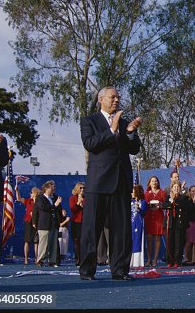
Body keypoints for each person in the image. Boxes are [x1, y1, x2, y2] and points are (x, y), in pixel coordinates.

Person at [79, 86, 142, 281]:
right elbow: (90, 144)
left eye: (118, 97)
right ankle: (87, 270)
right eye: (112, 97)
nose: (116, 100)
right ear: (101, 99)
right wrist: (112, 129)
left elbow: (134, 150)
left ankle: (120, 270)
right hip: (98, 183)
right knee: (92, 229)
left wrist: (130, 132)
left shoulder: (124, 123)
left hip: (121, 182)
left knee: (121, 230)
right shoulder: (89, 121)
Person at [33, 180, 62, 267]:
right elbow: (43, 208)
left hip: (54, 223)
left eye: (54, 187)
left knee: (53, 243)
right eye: (52, 187)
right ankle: (40, 260)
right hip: (44, 224)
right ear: (46, 188)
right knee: (43, 243)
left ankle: (52, 260)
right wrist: (54, 206)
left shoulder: (55, 198)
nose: (54, 189)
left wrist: (59, 212)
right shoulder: (40, 197)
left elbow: (59, 209)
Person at [163, 181, 188, 267]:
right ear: (172, 188)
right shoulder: (168, 197)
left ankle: (177, 261)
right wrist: (171, 201)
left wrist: (174, 200)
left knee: (178, 243)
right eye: (174, 187)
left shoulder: (183, 198)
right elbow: (164, 205)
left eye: (178, 187)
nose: (176, 189)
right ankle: (170, 261)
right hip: (170, 223)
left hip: (179, 223)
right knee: (170, 242)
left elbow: (182, 204)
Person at [144, 176, 166, 266]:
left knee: (157, 238)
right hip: (149, 217)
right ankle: (149, 259)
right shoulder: (146, 193)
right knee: (149, 239)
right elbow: (143, 204)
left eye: (156, 181)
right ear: (149, 183)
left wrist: (160, 205)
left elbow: (165, 204)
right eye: (152, 181)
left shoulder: (162, 192)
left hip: (158, 217)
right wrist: (148, 205)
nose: (154, 183)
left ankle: (155, 259)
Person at [15, 187, 39, 265]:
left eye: (32, 193)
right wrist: (17, 190)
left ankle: (37, 259)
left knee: (36, 242)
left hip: (37, 223)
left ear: (35, 193)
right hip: (28, 221)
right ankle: (26, 259)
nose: (30, 194)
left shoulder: (40, 202)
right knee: (27, 241)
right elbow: (18, 198)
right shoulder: (28, 201)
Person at [130, 184, 147, 268]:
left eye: (133, 191)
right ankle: (130, 261)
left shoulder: (143, 202)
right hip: (131, 224)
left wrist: (139, 208)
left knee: (137, 241)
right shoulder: (131, 201)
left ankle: (137, 262)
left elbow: (143, 213)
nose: (131, 193)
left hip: (139, 224)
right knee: (130, 241)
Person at [69, 182, 85, 266]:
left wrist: (82, 205)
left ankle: (83, 258)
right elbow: (73, 210)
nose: (82, 190)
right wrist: (78, 203)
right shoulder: (72, 198)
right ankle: (77, 258)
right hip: (75, 222)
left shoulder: (86, 198)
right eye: (81, 188)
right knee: (76, 240)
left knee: (83, 241)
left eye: (83, 188)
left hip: (84, 222)